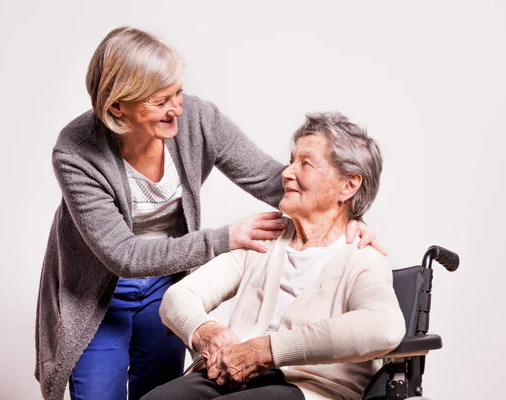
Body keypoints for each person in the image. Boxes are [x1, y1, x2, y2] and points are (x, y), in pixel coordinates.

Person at [35, 27, 382, 400]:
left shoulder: (198, 120)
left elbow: (271, 179)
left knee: (158, 392)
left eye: (177, 92)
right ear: (117, 106)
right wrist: (223, 239)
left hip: (165, 279)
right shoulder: (75, 152)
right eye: (160, 99)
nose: (177, 109)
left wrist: (346, 216)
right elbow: (123, 255)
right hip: (98, 292)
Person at [142, 112, 406, 400]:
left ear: (349, 185)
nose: (287, 172)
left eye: (305, 163)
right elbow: (178, 298)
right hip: (227, 378)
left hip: (307, 387)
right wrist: (208, 332)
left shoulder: (362, 257)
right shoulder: (265, 239)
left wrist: (266, 351)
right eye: (291, 160)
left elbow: (385, 327)